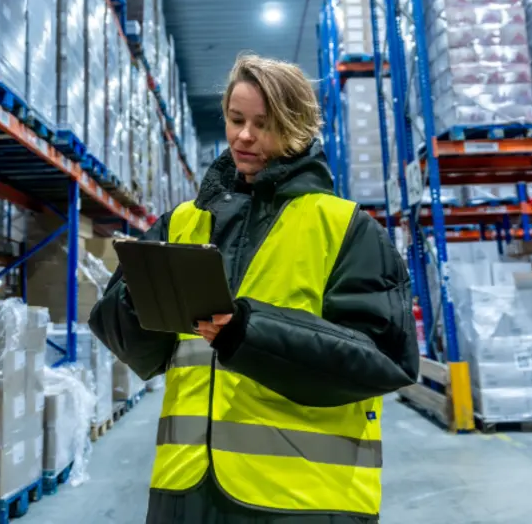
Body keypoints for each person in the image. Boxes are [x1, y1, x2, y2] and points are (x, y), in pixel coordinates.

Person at [90, 53, 420, 524]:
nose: (244, 136)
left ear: (299, 127)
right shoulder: (183, 222)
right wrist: (136, 301)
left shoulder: (346, 229)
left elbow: (384, 358)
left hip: (302, 500)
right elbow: (128, 341)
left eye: (263, 124)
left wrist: (250, 333)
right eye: (236, 119)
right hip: (184, 491)